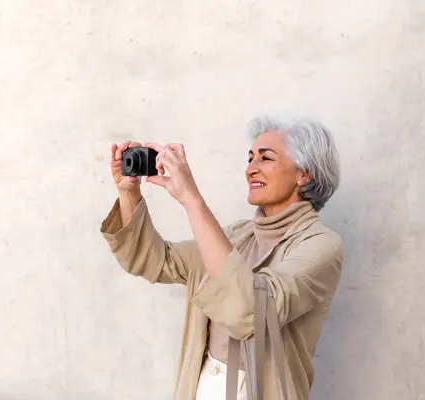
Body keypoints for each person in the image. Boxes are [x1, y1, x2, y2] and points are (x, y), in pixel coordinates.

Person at [99, 116, 344, 400]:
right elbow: (156, 260)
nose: (251, 169)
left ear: (304, 174)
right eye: (250, 158)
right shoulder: (237, 235)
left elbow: (253, 311)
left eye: (266, 159)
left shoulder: (322, 246)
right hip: (203, 386)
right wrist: (129, 192)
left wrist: (191, 199)